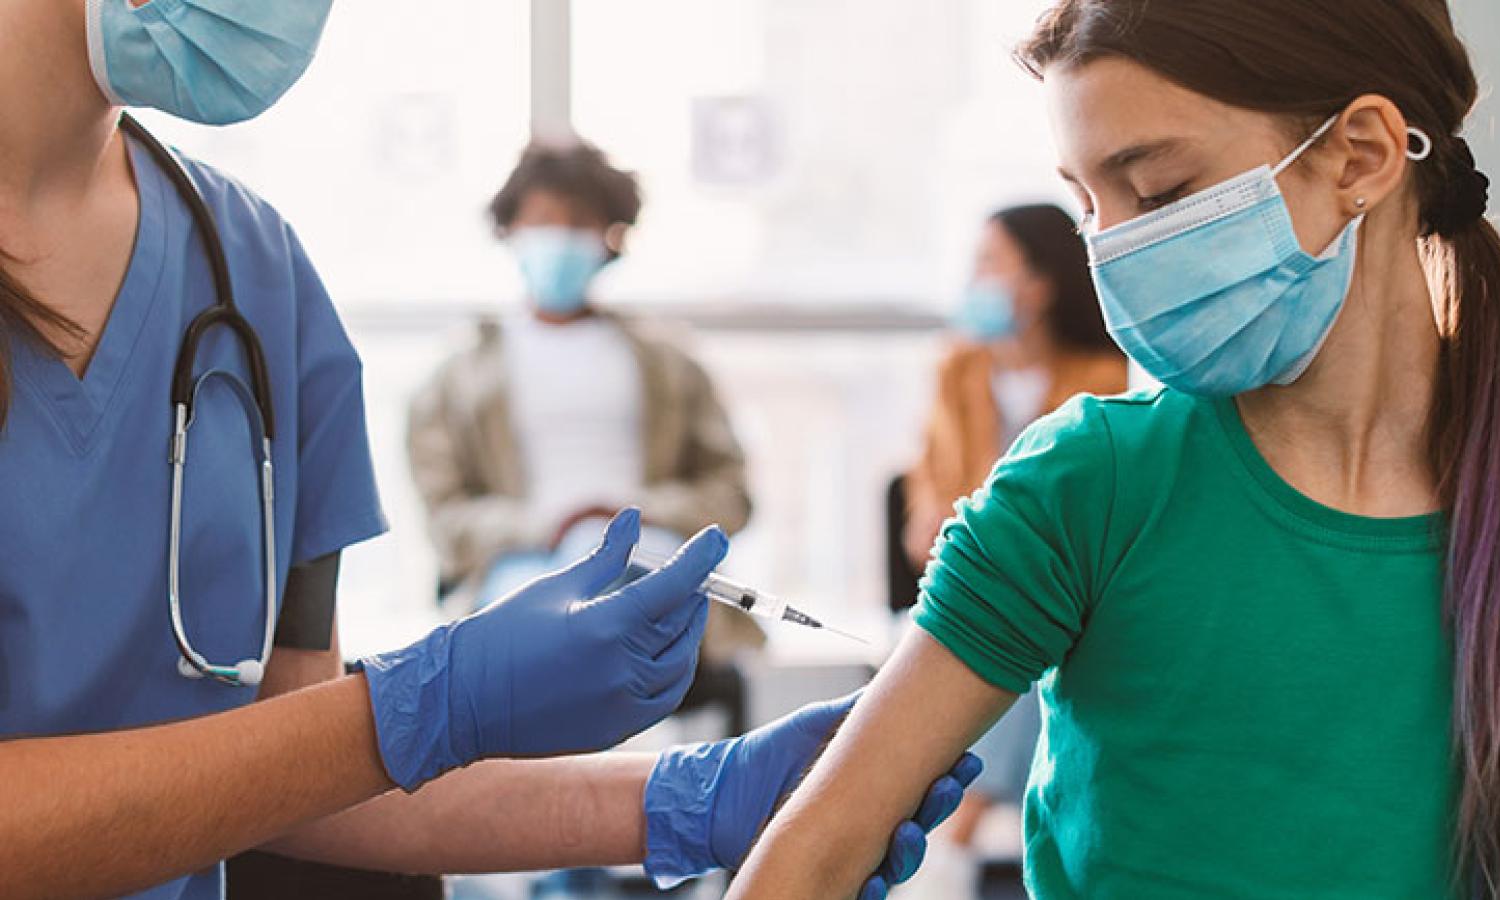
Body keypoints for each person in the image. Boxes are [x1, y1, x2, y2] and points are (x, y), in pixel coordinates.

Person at [0, 3, 968, 898]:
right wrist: (421, 709)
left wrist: (679, 798)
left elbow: (286, 772)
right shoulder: (454, 366)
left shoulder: (253, 271)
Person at [729, 1, 1500, 898]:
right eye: (1087, 207)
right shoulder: (1087, 486)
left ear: (1363, 156)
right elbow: (814, 852)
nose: (1113, 250)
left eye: (1158, 193)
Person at [407, 135, 764, 732]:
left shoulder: (672, 365)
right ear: (509, 230)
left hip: (647, 558)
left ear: (612, 237)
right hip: (521, 569)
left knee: (626, 593)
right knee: (560, 611)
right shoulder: (455, 380)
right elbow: (446, 522)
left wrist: (634, 514)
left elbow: (733, 494)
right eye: (543, 221)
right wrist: (552, 524)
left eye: (579, 223)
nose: (559, 239)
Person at [897, 204, 1125, 896]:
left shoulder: (1107, 378)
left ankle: (945, 848)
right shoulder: (957, 370)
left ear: (1042, 281)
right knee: (1016, 661)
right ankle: (949, 855)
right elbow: (923, 520)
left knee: (1026, 661)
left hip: (1060, 602)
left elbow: (1088, 524)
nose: (976, 281)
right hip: (967, 589)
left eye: (991, 264)